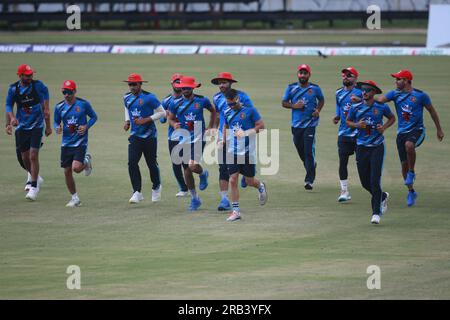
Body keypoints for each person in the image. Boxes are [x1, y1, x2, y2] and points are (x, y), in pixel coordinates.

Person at [375, 69, 444, 207]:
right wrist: (366, 98)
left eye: (398, 79)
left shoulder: (420, 95)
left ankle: (412, 172)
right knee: (403, 166)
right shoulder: (395, 94)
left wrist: (439, 129)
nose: (396, 82)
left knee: (409, 145)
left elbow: (432, 111)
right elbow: (381, 99)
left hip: (417, 130)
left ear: (406, 81)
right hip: (401, 133)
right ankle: (411, 191)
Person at [346, 80, 396, 224]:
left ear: (374, 92)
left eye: (368, 90)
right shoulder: (356, 107)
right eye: (363, 90)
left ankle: (376, 213)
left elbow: (392, 118)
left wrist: (384, 128)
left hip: (377, 147)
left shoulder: (381, 107)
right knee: (364, 182)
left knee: (375, 180)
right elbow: (348, 121)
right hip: (361, 147)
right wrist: (357, 125)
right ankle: (382, 196)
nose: (364, 92)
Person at [167, 76, 216, 211]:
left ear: (193, 88)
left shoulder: (202, 100)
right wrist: (174, 124)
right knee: (187, 171)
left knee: (192, 166)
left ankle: (202, 174)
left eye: (188, 88)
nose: (185, 90)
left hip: (199, 137)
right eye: (183, 88)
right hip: (183, 139)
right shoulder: (175, 103)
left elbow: (213, 111)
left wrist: (211, 126)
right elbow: (169, 118)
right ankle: (195, 199)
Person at [5, 64, 51, 200]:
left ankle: (34, 186)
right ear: (20, 76)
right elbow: (8, 105)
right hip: (22, 126)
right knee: (24, 157)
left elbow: (46, 95)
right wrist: (10, 120)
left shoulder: (38, 86)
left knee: (32, 155)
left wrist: (47, 114)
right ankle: (34, 176)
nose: (30, 77)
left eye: (31, 75)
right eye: (27, 75)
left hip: (37, 124)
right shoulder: (13, 89)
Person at [211, 72, 255, 211]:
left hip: (240, 136)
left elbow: (250, 113)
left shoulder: (242, 96)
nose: (222, 85)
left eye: (224, 82)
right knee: (223, 167)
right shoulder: (217, 98)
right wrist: (214, 129)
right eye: (220, 83)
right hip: (223, 135)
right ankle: (224, 199)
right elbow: (218, 115)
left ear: (230, 83)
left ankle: (247, 176)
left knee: (241, 167)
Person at [221, 89, 267, 222]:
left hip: (248, 152)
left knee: (249, 181)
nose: (231, 107)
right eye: (229, 104)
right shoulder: (227, 112)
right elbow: (226, 126)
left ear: (238, 99)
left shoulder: (250, 111)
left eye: (233, 104)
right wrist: (223, 141)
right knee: (233, 180)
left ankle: (260, 186)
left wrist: (246, 133)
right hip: (233, 151)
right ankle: (236, 211)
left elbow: (261, 126)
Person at [123, 73, 166, 204]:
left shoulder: (149, 97)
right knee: (132, 162)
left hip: (150, 136)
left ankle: (156, 186)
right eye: (130, 84)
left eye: (134, 84)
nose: (132, 87)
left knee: (151, 163)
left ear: (140, 84)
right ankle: (137, 192)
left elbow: (162, 112)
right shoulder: (126, 97)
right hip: (135, 136)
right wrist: (127, 121)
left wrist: (146, 119)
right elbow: (127, 108)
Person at [54, 80, 97, 207]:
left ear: (74, 91)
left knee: (76, 168)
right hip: (66, 143)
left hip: (80, 142)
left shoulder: (83, 104)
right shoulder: (59, 107)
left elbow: (94, 117)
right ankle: (75, 198)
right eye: (64, 92)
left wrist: (86, 126)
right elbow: (56, 121)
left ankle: (86, 161)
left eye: (69, 92)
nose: (66, 95)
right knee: (67, 171)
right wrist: (57, 127)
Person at [282, 64, 325, 190]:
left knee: (308, 150)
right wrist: (294, 106)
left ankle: (309, 180)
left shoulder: (315, 88)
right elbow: (284, 103)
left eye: (305, 73)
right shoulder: (291, 88)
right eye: (301, 73)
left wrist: (318, 110)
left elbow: (321, 100)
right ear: (297, 74)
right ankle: (312, 165)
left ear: (309, 75)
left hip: (311, 124)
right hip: (296, 125)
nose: (303, 75)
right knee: (301, 151)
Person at [332, 67, 363, 202]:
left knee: (361, 163)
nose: (345, 77)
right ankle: (344, 191)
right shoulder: (338, 92)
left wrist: (360, 101)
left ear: (355, 79)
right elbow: (339, 107)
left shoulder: (361, 92)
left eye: (349, 75)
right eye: (344, 75)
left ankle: (371, 187)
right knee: (342, 162)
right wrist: (337, 117)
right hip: (344, 132)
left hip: (359, 133)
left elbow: (370, 105)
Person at [160, 73, 189, 197]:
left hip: (187, 135)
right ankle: (183, 188)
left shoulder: (187, 98)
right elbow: (162, 120)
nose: (178, 84)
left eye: (180, 82)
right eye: (176, 82)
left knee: (187, 163)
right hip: (173, 136)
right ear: (171, 83)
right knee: (176, 164)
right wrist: (166, 114)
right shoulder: (166, 100)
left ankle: (191, 186)